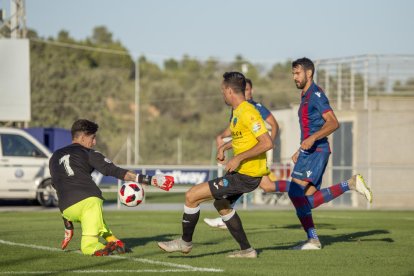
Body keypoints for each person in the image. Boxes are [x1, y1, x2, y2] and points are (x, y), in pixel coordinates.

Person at [157, 72, 273, 258]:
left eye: (222, 91)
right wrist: (226, 147)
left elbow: (267, 142)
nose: (222, 95)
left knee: (191, 195)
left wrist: (239, 158)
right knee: (222, 205)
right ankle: (247, 251)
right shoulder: (237, 112)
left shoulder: (248, 112)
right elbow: (244, 139)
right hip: (241, 172)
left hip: (247, 174)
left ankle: (185, 243)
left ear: (229, 90)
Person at [277, 57, 372, 250]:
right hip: (309, 151)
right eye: (293, 73)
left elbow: (333, 122)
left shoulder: (316, 95)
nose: (294, 77)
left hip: (315, 151)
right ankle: (350, 184)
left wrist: (312, 140)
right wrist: (300, 148)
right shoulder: (305, 95)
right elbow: (311, 128)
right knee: (306, 202)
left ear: (309, 73)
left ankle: (313, 240)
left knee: (295, 193)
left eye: (297, 73)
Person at [49, 119, 174, 256]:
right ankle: (96, 248)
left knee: (96, 221)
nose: (94, 142)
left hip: (66, 209)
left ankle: (114, 242)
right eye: (93, 138)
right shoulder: (88, 153)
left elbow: (57, 185)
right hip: (88, 201)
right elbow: (114, 170)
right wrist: (149, 180)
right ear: (83, 137)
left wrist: (67, 223)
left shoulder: (54, 157)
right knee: (89, 244)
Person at [204, 78, 279, 229]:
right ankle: (226, 218)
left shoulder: (254, 107)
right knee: (266, 186)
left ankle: (297, 189)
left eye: (248, 89)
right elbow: (235, 131)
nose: (246, 92)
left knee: (265, 186)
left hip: (253, 158)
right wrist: (223, 142)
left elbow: (273, 125)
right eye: (244, 90)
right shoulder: (237, 109)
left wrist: (270, 142)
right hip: (243, 157)